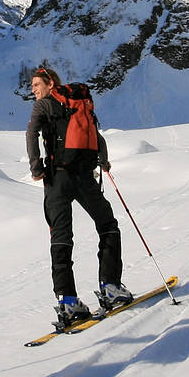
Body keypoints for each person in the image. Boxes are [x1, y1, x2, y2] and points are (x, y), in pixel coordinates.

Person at [25, 66, 131, 326]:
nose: (33, 90)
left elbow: (31, 133)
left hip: (57, 179)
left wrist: (35, 166)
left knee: (61, 237)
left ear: (50, 83)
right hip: (84, 176)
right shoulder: (79, 104)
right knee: (108, 226)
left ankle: (68, 302)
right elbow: (96, 137)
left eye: (37, 85)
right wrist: (103, 162)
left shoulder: (45, 106)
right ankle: (111, 287)